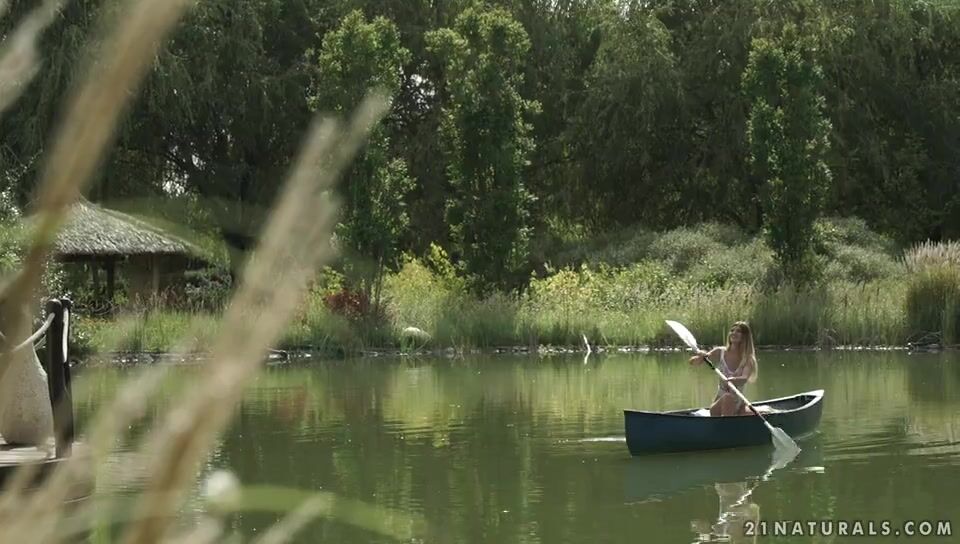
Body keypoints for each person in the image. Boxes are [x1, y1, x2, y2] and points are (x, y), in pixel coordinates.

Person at [688, 321, 758, 416]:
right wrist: (701, 356)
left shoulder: (748, 359)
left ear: (745, 336)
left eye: (738, 331)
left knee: (764, 412)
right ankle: (726, 424)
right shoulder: (720, 351)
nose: (734, 333)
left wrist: (732, 380)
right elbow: (693, 362)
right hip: (718, 407)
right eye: (732, 330)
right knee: (728, 397)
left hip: (739, 405)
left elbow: (744, 378)